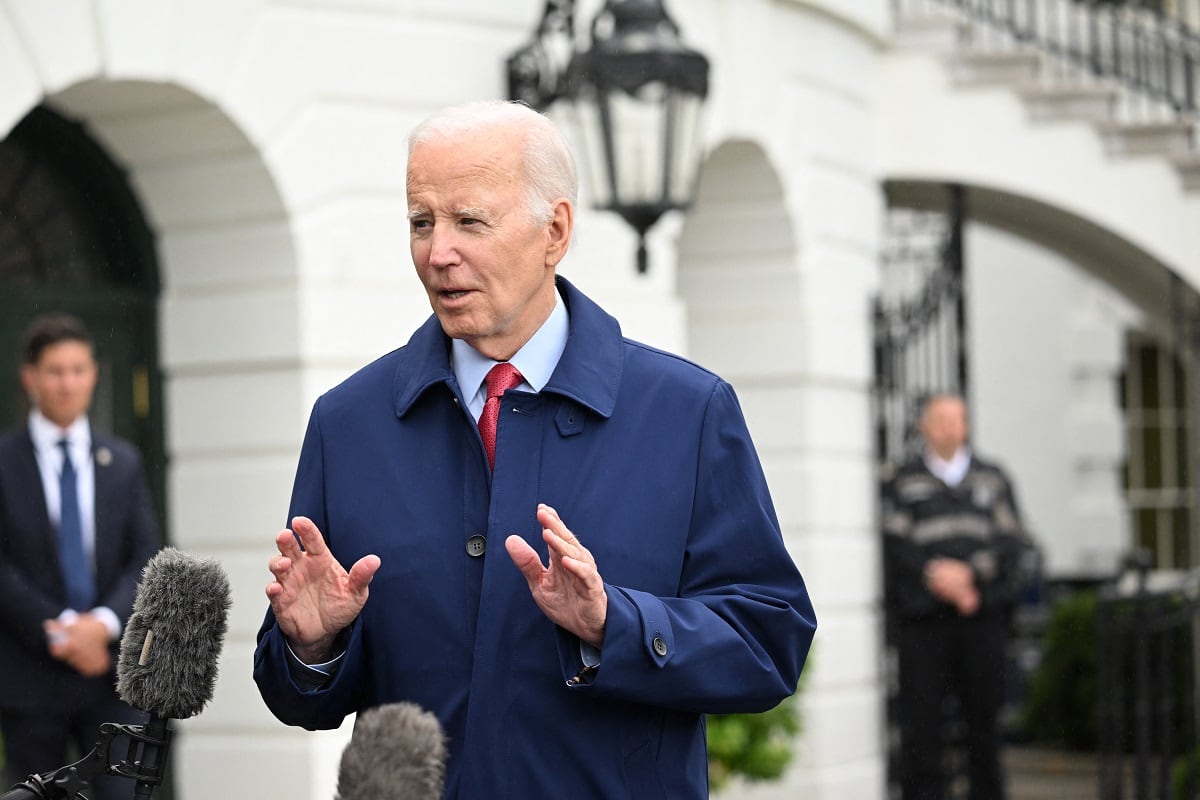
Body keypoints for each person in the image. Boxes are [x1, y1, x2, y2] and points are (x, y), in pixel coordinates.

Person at [253, 100, 816, 799]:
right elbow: (295, 694)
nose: (439, 252)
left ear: (555, 230)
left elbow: (770, 642)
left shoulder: (686, 412)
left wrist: (616, 624)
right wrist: (313, 647)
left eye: (469, 221)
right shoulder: (348, 423)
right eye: (421, 222)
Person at [0, 313, 162, 800]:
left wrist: (104, 625)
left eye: (78, 369)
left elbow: (145, 556)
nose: (68, 383)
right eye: (55, 371)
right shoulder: (4, 463)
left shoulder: (123, 462)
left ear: (93, 374)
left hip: (111, 673)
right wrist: (62, 629)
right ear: (30, 378)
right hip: (31, 675)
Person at [882, 393, 1034, 800]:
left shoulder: (992, 477)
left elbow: (1012, 540)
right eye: (941, 419)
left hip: (980, 618)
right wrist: (937, 576)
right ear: (924, 427)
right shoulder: (904, 481)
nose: (951, 427)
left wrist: (969, 576)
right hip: (924, 623)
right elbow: (895, 545)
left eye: (958, 419)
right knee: (922, 726)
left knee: (983, 724)